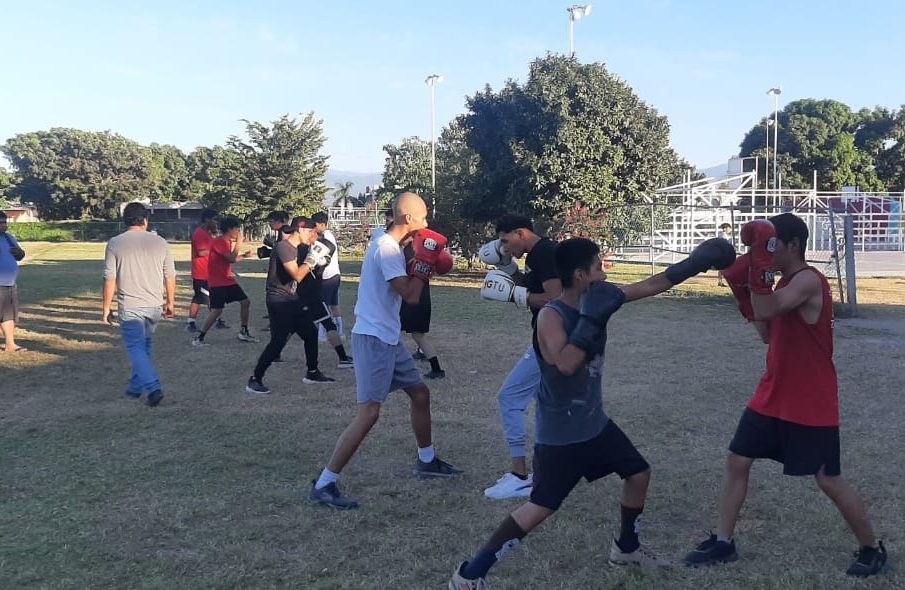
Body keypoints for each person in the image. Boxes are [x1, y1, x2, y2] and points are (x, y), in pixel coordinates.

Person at [449, 236, 736, 589]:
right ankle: (470, 574)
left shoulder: (599, 295)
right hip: (562, 433)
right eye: (598, 267)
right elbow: (565, 364)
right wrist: (590, 320)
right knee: (540, 507)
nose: (604, 273)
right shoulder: (551, 317)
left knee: (638, 473)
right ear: (581, 274)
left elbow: (652, 283)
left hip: (595, 424)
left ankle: (627, 548)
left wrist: (696, 262)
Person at [683, 213, 887, 577]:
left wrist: (754, 278)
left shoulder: (808, 280)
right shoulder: (783, 284)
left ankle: (872, 548)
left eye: (771, 245)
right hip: (773, 392)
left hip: (811, 398)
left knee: (827, 478)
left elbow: (771, 307)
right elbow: (766, 330)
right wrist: (742, 289)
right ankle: (724, 541)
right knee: (737, 460)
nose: (767, 252)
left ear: (792, 245)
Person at [308, 192, 459, 510]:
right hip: (374, 340)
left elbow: (396, 246)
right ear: (407, 219)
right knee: (369, 413)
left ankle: (427, 461)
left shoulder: (385, 238)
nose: (427, 223)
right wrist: (425, 263)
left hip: (387, 338)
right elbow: (411, 296)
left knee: (420, 394)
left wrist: (417, 252)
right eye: (423, 218)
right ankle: (324, 483)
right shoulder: (386, 249)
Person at [479, 214, 561, 500]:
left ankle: (519, 476)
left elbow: (557, 300)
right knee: (550, 408)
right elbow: (532, 286)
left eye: (505, 240)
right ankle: (546, 472)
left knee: (509, 398)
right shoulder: (538, 255)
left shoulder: (545, 254)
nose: (502, 246)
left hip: (550, 343)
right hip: (550, 341)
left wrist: (517, 296)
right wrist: (507, 267)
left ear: (522, 233)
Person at [246, 217, 338, 394]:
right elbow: (296, 275)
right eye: (311, 232)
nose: (313, 236)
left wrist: (318, 264)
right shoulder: (284, 247)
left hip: (292, 298)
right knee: (278, 341)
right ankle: (255, 379)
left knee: (311, 333)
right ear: (301, 229)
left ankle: (312, 372)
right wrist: (311, 260)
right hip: (279, 300)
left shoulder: (296, 248)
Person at [101, 203, 176, 406]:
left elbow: (109, 278)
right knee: (145, 345)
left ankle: (153, 387)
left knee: (135, 347)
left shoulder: (115, 243)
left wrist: (106, 307)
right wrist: (170, 302)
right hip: (154, 304)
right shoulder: (160, 242)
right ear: (145, 219)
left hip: (130, 304)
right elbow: (170, 275)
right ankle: (135, 387)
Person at [191, 216, 257, 346]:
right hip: (218, 282)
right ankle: (199, 338)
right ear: (230, 229)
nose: (238, 232)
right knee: (217, 310)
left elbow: (230, 259)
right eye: (237, 229)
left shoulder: (226, 242)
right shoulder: (220, 242)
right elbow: (231, 258)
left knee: (245, 301)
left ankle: (243, 331)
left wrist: (244, 256)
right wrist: (239, 243)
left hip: (227, 281)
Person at [401, 243, 446, 378]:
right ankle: (433, 365)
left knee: (416, 335)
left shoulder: (410, 251)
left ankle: (436, 369)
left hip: (415, 298)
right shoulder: (420, 251)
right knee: (417, 335)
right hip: (421, 296)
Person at [311, 211, 349, 346]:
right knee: (333, 305)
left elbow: (320, 256)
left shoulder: (325, 237)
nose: (313, 228)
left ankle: (323, 333)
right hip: (334, 275)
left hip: (327, 276)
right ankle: (340, 331)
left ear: (322, 224)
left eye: (314, 225)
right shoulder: (328, 235)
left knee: (323, 306)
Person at [186, 209, 225, 332]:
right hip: (201, 273)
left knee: (209, 296)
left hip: (208, 272)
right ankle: (191, 323)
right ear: (207, 220)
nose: (216, 223)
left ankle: (217, 320)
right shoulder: (199, 234)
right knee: (201, 298)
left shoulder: (207, 233)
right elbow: (202, 252)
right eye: (214, 220)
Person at [0, 211, 26, 352]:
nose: (3, 226)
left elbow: (20, 255)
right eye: (0, 223)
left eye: (5, 222)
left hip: (9, 284)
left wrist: (19, 253)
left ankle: (10, 344)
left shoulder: (9, 238)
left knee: (8, 315)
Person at [716, 222, 733, 287]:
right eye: (729, 228)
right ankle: (721, 282)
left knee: (722, 268)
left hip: (723, 253)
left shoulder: (724, 235)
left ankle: (720, 281)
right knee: (724, 268)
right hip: (723, 253)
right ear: (726, 228)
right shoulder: (723, 235)